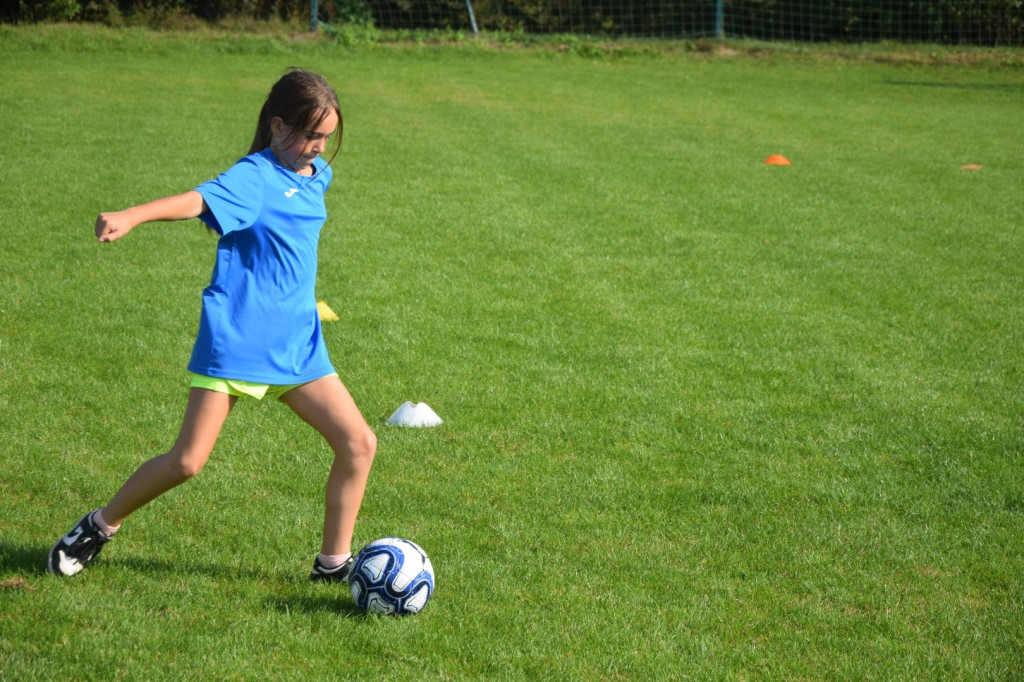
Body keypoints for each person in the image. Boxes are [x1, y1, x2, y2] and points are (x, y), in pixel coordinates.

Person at [48, 68, 376, 583]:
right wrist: (132, 215)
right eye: (310, 135)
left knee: (359, 443)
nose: (318, 147)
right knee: (187, 462)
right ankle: (97, 526)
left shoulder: (317, 176)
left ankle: (333, 565)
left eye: (326, 137)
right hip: (239, 341)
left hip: (297, 345)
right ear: (277, 126)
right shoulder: (255, 176)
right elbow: (198, 201)